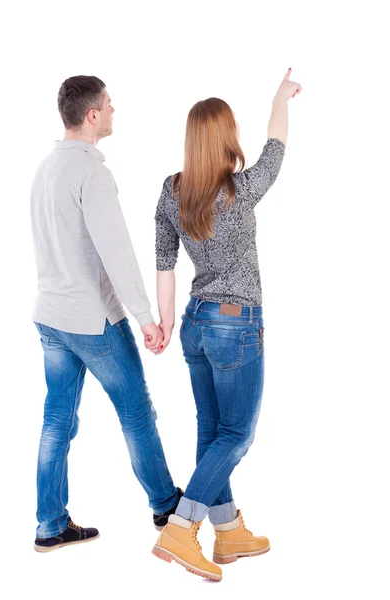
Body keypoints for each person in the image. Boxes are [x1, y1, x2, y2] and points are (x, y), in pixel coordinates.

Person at [151, 68, 302, 581]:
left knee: (211, 431)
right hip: (235, 325)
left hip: (195, 324)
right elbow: (276, 147)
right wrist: (281, 98)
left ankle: (228, 528)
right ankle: (181, 527)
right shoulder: (240, 190)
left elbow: (164, 260)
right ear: (224, 138)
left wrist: (166, 322)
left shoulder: (172, 192)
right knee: (236, 434)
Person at [30, 75, 183, 553]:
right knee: (137, 413)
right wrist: (145, 317)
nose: (114, 112)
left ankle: (49, 525)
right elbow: (115, 252)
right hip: (94, 321)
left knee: (57, 420)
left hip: (51, 315)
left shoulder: (45, 168)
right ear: (92, 115)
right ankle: (166, 505)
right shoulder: (91, 173)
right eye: (110, 106)